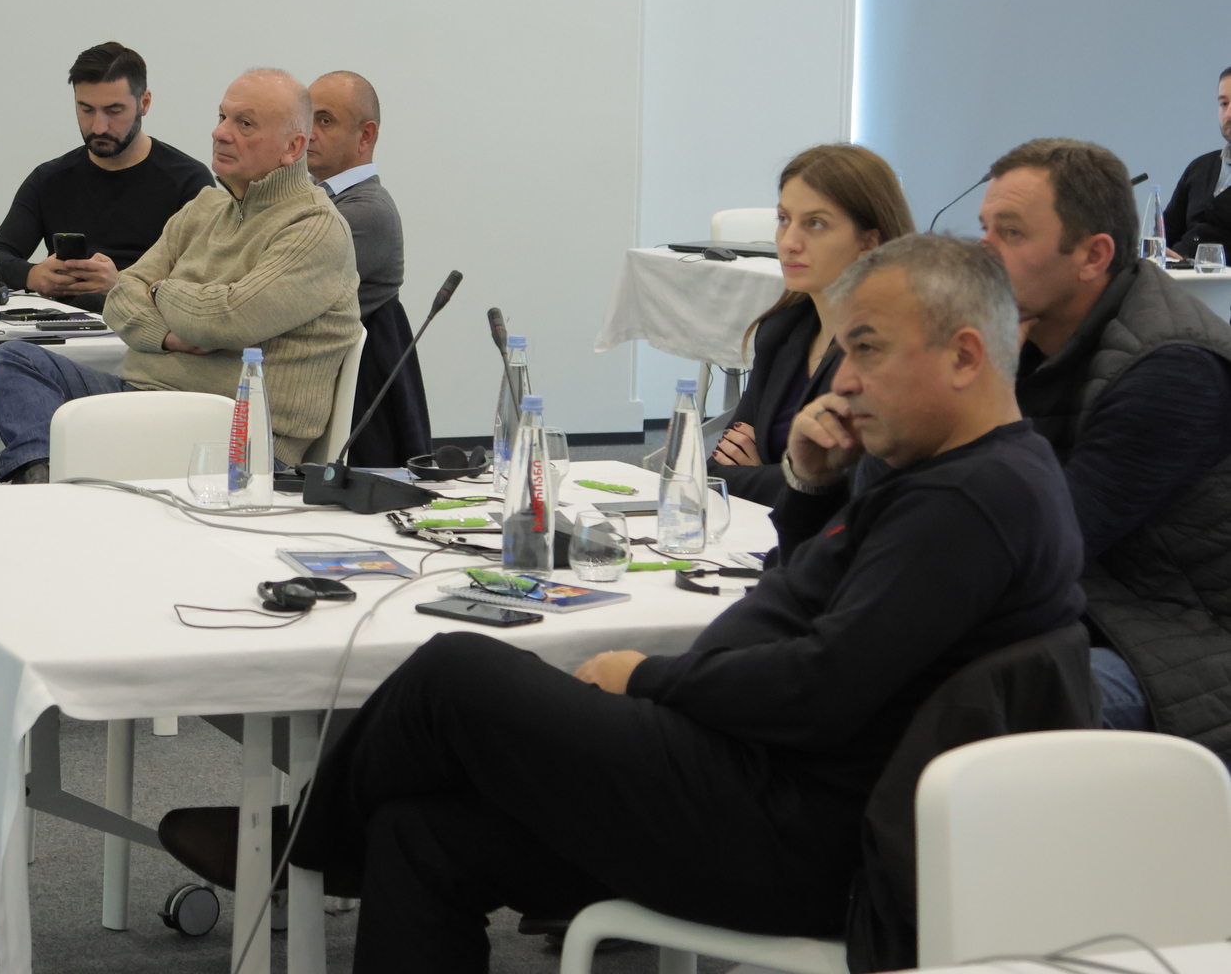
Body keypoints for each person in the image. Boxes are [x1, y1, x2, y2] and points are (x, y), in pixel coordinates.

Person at [157, 236, 1086, 972]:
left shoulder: (970, 502)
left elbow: (818, 688)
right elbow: (805, 603)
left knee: (454, 675)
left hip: (792, 832)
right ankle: (323, 844)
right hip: (747, 782)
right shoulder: (946, 474)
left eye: (867, 351)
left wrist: (647, 678)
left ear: (965, 356)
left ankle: (299, 845)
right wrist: (807, 485)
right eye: (843, 352)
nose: (841, 379)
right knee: (420, 834)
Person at [0, 68, 361, 484]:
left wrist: (160, 289)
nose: (220, 133)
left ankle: (51, 494)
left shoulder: (315, 227)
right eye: (222, 117)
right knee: (14, 359)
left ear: (293, 147)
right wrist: (166, 336)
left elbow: (227, 319)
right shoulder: (204, 208)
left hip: (235, 435)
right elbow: (121, 296)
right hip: (143, 403)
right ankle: (44, 486)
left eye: (244, 124)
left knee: (63, 422)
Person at [972, 138, 1231, 744]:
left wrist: (979, 387)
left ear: (1093, 256)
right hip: (1094, 608)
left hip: (1183, 641)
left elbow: (1036, 545)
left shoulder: (1172, 370)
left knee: (977, 709)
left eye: (1011, 233)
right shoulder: (1033, 331)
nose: (983, 254)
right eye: (984, 229)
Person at [0, 43, 211, 483]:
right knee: (14, 356)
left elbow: (203, 285)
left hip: (142, 333)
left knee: (23, 363)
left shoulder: (187, 181)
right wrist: (34, 274)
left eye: (114, 111)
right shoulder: (51, 178)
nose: (98, 126)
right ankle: (2, 456)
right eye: (85, 109)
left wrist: (122, 283)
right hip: (63, 328)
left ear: (145, 103)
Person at [708, 143, 915, 505]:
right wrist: (785, 476)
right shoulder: (781, 331)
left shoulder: (893, 346)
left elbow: (852, 487)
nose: (788, 243)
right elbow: (719, 469)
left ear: (870, 241)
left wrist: (771, 475)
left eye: (815, 224)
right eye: (784, 219)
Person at [305, 70, 430, 465]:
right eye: (304, 118)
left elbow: (269, 288)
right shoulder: (314, 200)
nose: (307, 133)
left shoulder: (365, 212)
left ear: (365, 135)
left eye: (324, 120)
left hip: (356, 407)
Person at [1162, 65, 1231, 255]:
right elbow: (1164, 234)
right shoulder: (1200, 167)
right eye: (1224, 103)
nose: (1228, 114)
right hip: (1177, 271)